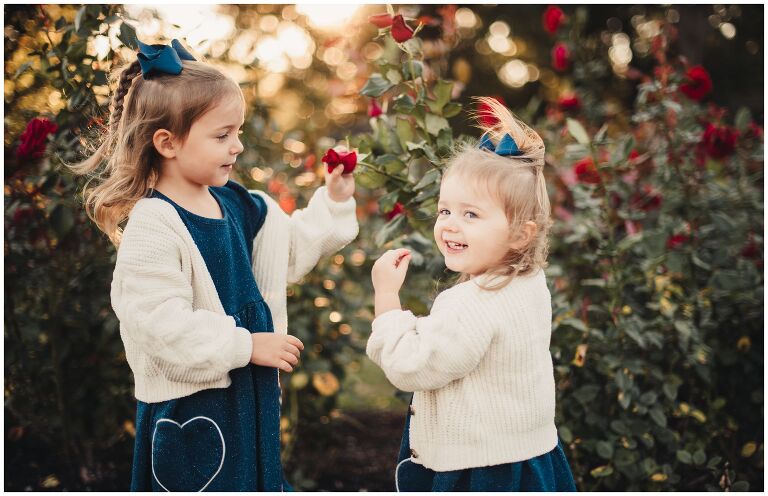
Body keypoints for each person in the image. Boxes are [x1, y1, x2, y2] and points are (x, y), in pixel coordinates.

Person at [70, 39, 358, 491]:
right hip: (191, 407)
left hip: (249, 398)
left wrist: (335, 201)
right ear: (167, 143)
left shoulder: (237, 205)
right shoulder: (154, 225)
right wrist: (245, 346)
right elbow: (158, 323)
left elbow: (290, 250)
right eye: (222, 135)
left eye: (238, 132)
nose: (237, 146)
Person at [366, 97, 576, 491]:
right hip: (529, 458)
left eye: (471, 214)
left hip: (476, 470)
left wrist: (387, 302)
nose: (450, 226)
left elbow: (412, 365)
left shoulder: (468, 304)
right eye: (445, 211)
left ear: (520, 234)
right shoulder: (529, 283)